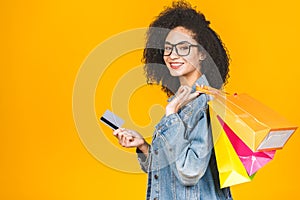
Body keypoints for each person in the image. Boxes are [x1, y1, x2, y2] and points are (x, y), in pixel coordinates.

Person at [113, 1, 232, 199]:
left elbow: (189, 172)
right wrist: (143, 146)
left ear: (202, 52)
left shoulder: (205, 102)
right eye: (168, 48)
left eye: (183, 47)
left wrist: (171, 116)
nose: (172, 55)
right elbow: (169, 171)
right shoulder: (180, 101)